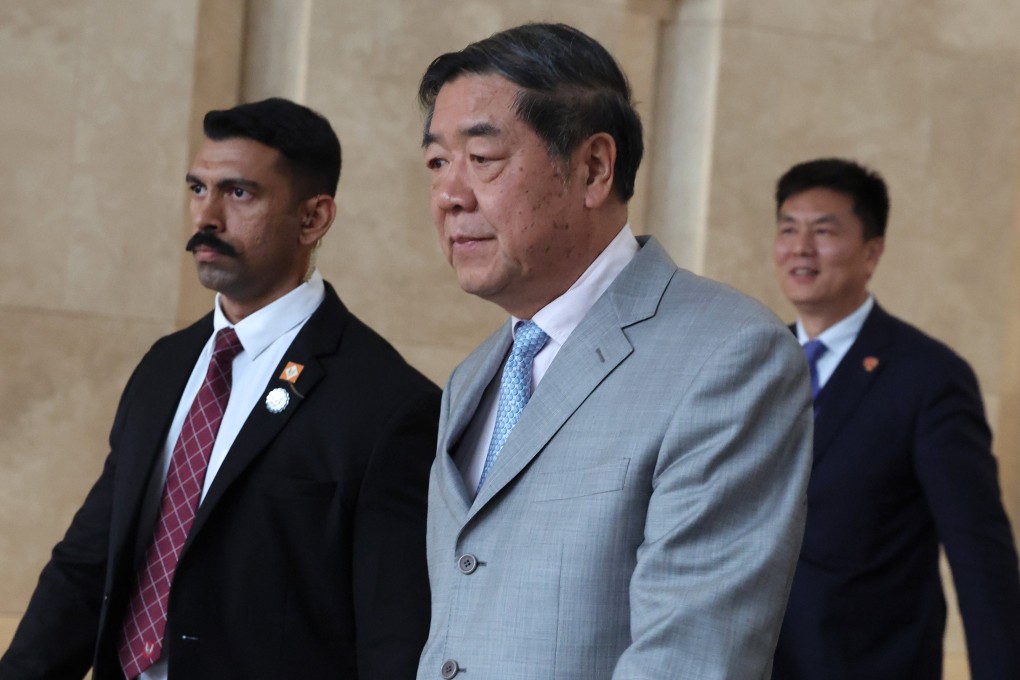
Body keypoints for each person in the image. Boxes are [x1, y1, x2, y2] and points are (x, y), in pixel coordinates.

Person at [415, 23, 813, 680]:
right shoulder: (474, 377)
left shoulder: (729, 357)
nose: (450, 196)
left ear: (594, 168)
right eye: (436, 163)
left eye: (482, 158)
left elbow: (691, 656)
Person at [0, 98, 439, 680]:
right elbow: (88, 563)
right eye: (197, 189)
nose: (206, 216)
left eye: (238, 193)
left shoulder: (389, 405)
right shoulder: (165, 365)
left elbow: (393, 638)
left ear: (313, 219)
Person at [770, 157, 1020, 679]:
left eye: (824, 231)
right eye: (788, 229)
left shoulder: (928, 377)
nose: (801, 247)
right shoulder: (755, 364)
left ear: (872, 251)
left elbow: (979, 553)